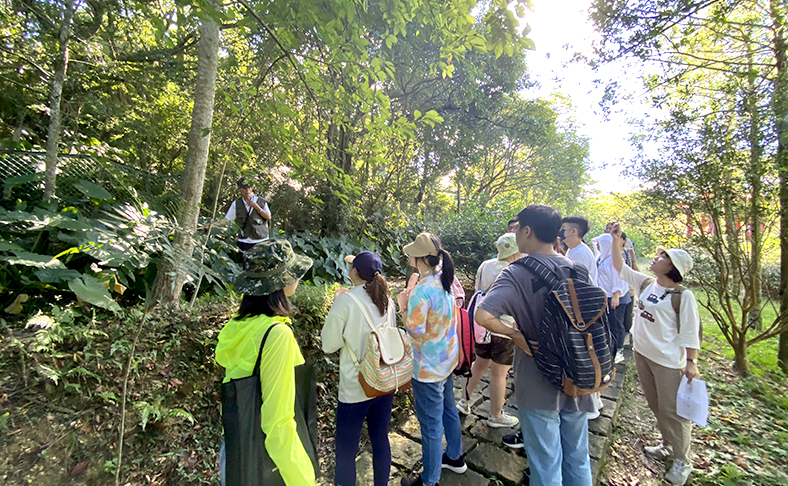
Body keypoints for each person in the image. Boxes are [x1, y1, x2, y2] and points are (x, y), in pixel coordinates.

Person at [475, 205, 595, 486]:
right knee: (578, 455)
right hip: (578, 373)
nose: (514, 234)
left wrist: (516, 336)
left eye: (517, 229)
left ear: (527, 231)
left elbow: (483, 316)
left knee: (545, 460)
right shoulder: (578, 270)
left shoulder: (516, 272)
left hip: (538, 378)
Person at [215, 239, 315, 486]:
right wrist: (303, 479)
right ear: (279, 283)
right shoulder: (277, 335)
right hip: (268, 462)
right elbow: (277, 422)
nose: (297, 278)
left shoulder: (237, 326)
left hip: (236, 451)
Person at [610, 224, 700, 486]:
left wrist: (691, 362)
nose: (656, 258)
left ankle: (683, 460)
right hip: (643, 354)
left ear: (672, 268)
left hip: (668, 362)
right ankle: (666, 445)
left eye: (662, 257)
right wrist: (617, 242)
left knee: (673, 412)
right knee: (655, 405)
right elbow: (620, 268)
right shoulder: (648, 283)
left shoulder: (683, 297)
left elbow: (691, 332)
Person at [397, 233, 467, 486]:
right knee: (448, 409)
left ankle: (429, 479)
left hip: (427, 367)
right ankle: (455, 457)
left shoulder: (422, 291)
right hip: (446, 359)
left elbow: (414, 330)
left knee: (430, 426)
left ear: (419, 258)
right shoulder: (444, 280)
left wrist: (403, 305)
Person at [321, 251, 396, 486]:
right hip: (384, 382)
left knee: (345, 451)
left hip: (356, 387)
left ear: (354, 273)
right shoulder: (387, 299)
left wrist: (335, 304)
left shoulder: (345, 301)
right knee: (380, 439)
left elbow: (328, 345)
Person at [456, 233, 521, 429]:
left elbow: (478, 289)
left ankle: (463, 401)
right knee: (500, 373)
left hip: (481, 325)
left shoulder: (486, 265)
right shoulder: (516, 270)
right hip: (504, 326)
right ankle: (496, 415)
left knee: (479, 364)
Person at [561, 216, 603, 420]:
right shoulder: (573, 250)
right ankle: (596, 400)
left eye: (564, 229)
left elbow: (578, 288)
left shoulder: (581, 254)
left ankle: (591, 407)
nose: (561, 232)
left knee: (584, 357)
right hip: (578, 312)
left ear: (574, 232)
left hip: (582, 312)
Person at [594, 232, 631, 364]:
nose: (597, 246)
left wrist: (616, 294)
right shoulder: (601, 257)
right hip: (605, 296)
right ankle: (610, 349)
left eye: (599, 243)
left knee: (616, 324)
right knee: (608, 324)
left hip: (615, 297)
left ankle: (619, 350)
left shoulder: (613, 260)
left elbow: (618, 277)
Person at [223, 177, 271, 251]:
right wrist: (211, 225)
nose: (247, 190)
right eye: (244, 188)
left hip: (261, 240)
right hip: (244, 242)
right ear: (239, 189)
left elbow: (268, 217)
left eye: (249, 188)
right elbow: (227, 220)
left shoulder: (261, 201)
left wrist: (256, 207)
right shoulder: (236, 204)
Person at [560, 216, 598, 285]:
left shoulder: (580, 253)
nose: (560, 231)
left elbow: (579, 283)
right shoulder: (572, 249)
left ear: (573, 231)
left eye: (563, 228)